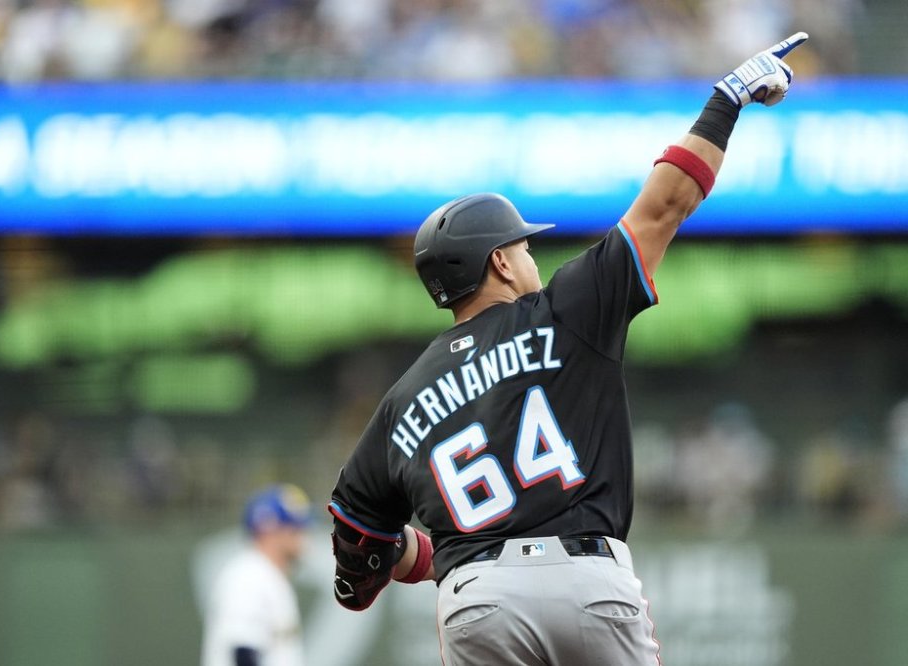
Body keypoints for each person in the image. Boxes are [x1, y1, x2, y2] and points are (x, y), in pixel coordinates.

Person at [326, 32, 809, 665]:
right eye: (522, 246)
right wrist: (725, 101)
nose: (531, 254)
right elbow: (664, 206)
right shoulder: (566, 309)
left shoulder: (403, 398)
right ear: (498, 260)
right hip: (589, 583)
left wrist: (418, 559)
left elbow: (361, 548)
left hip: (477, 598)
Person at [202, 484, 312, 666]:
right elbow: (242, 651)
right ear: (269, 529)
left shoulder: (269, 576)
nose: (303, 536)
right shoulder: (248, 576)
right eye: (295, 528)